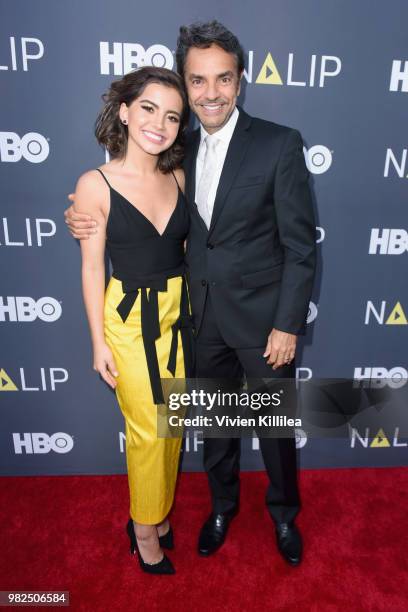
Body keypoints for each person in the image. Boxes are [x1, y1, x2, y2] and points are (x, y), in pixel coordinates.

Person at [65, 21, 316, 567]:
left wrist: (288, 323)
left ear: (240, 81)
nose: (210, 93)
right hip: (195, 322)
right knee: (217, 430)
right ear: (185, 81)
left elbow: (301, 247)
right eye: (197, 81)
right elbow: (131, 208)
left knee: (274, 430)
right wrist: (81, 217)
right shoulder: (176, 152)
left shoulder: (278, 144)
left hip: (263, 323)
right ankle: (221, 508)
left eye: (222, 79)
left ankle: (282, 515)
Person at [73, 66, 193, 575]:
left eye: (171, 115)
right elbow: (92, 266)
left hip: (179, 317)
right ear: (124, 111)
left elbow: (188, 250)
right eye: (148, 108)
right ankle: (144, 529)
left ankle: (157, 510)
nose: (159, 124)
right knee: (147, 429)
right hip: (128, 321)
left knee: (174, 424)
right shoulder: (94, 184)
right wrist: (98, 344)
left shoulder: (179, 176)